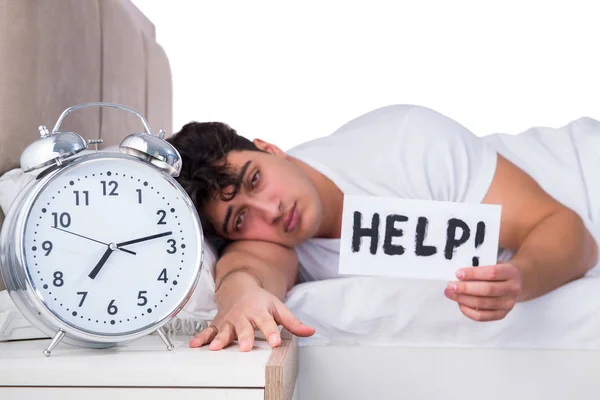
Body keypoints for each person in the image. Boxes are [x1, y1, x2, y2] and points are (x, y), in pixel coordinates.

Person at [167, 104, 599, 352]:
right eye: (241, 218)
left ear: (270, 149)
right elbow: (247, 275)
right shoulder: (269, 241)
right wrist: (240, 299)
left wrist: (521, 280)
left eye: (255, 179)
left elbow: (571, 233)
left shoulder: (404, 142)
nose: (270, 210)